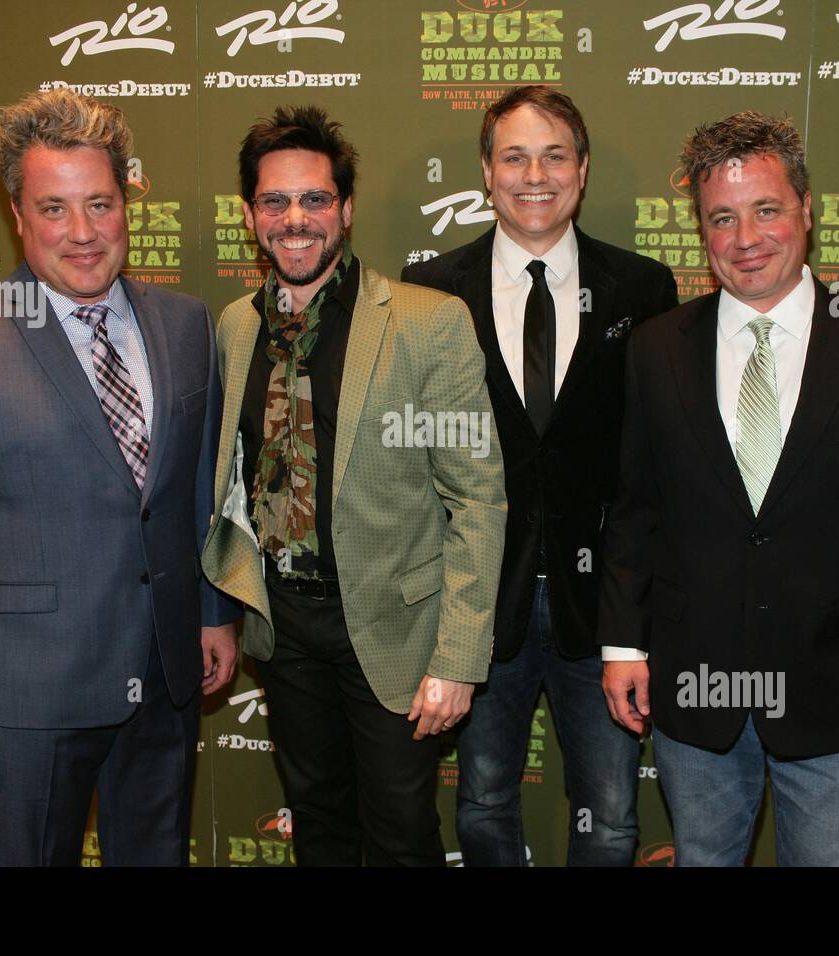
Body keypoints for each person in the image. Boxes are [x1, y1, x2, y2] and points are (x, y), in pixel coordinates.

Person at [0, 88, 240, 866]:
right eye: (54, 208)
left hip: (164, 676)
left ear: (126, 203)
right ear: (18, 214)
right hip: (26, 693)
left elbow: (198, 492)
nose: (82, 235)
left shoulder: (185, 324)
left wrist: (213, 611)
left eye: (100, 205)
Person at [598, 112, 839, 866]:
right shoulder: (656, 349)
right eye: (722, 218)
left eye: (766, 210)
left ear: (805, 209)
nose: (746, 238)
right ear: (702, 231)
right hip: (694, 694)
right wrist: (624, 643)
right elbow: (636, 511)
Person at [201, 105, 506, 866]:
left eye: (314, 199)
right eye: (275, 202)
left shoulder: (427, 321)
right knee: (319, 824)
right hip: (284, 628)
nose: (294, 219)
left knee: (402, 837)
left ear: (345, 208)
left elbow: (477, 496)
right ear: (250, 215)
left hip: (395, 632)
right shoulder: (236, 326)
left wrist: (459, 658)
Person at [402, 86, 678, 866]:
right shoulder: (428, 287)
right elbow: (415, 459)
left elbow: (653, 463)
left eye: (555, 155)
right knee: (484, 801)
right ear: (487, 173)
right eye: (515, 156)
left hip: (608, 610)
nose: (535, 174)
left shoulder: (643, 289)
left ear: (582, 171)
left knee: (614, 812)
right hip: (479, 604)